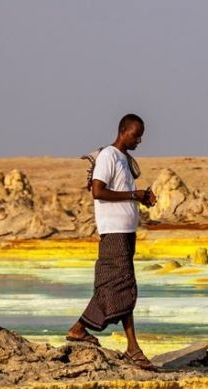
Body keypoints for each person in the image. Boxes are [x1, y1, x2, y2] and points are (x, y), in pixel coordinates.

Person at [66, 113, 157, 370]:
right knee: (123, 286)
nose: (139, 140)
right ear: (123, 130)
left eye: (141, 136)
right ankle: (133, 348)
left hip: (125, 233)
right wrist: (133, 193)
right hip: (114, 233)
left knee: (115, 286)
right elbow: (98, 191)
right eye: (135, 135)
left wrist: (140, 198)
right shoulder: (109, 156)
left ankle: (79, 329)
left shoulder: (124, 160)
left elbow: (121, 194)